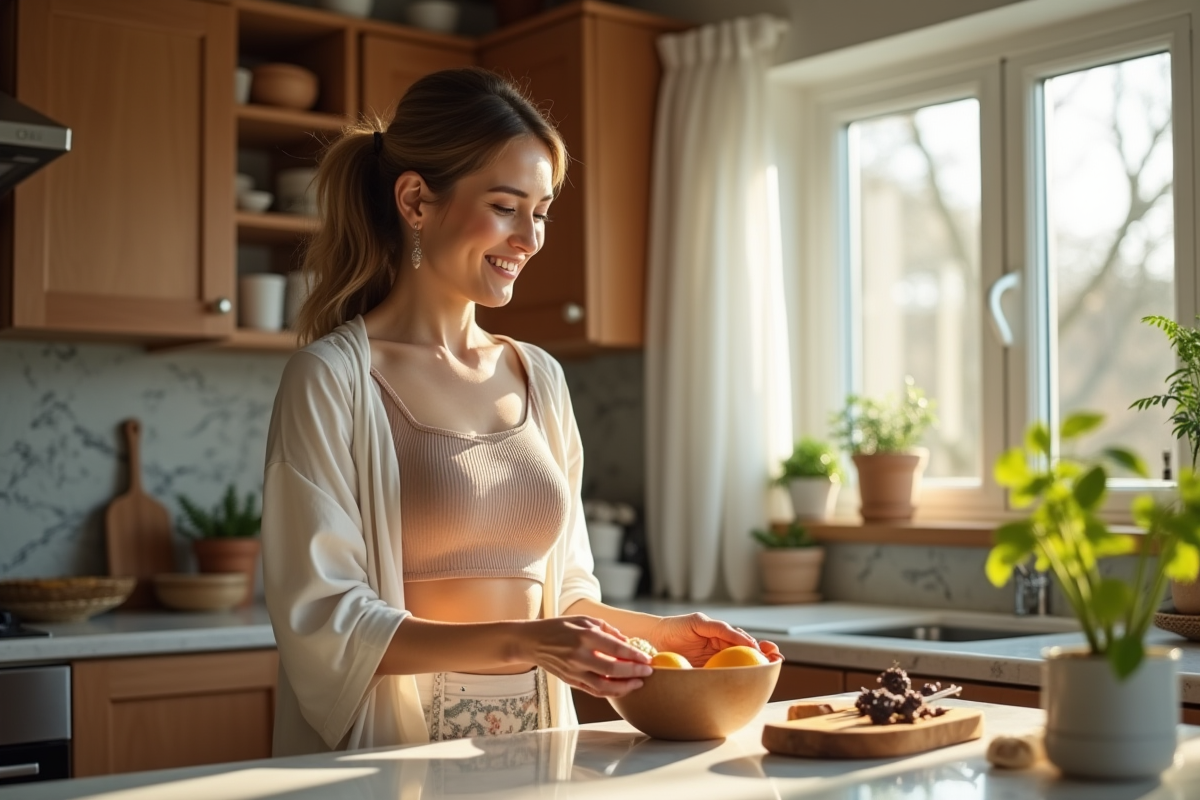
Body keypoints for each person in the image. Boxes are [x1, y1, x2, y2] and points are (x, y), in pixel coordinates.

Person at [261, 67, 782, 757]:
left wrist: (655, 634)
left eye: (540, 212)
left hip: (536, 748)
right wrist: (527, 641)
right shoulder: (331, 379)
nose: (531, 239)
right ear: (416, 200)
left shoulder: (539, 376)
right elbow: (324, 615)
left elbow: (560, 597)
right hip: (394, 753)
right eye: (507, 206)